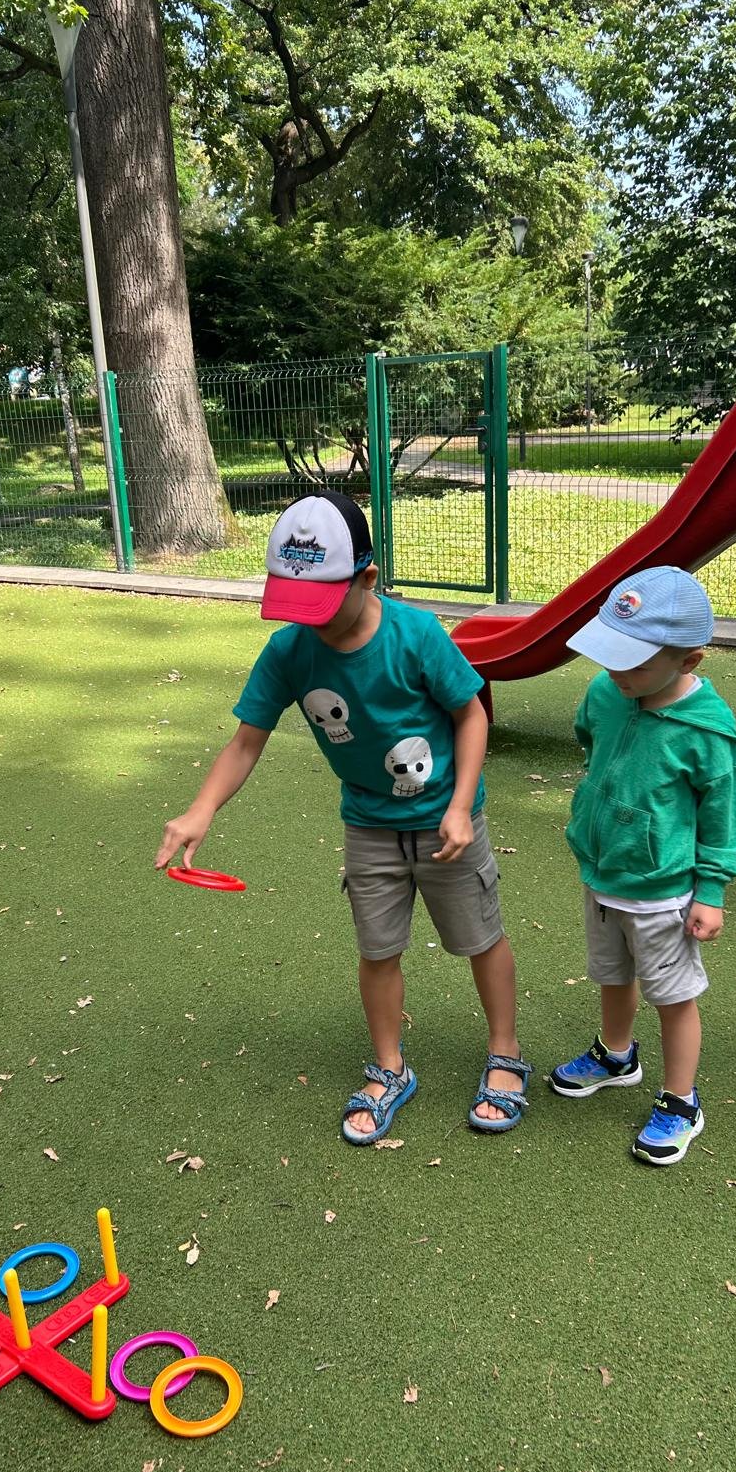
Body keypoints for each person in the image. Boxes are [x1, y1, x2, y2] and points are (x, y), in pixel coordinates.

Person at [154, 489, 529, 1143]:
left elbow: (471, 716)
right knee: (377, 950)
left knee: (480, 938)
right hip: (368, 825)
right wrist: (199, 811)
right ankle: (389, 1067)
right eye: (298, 604)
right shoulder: (290, 652)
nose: (313, 622)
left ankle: (505, 1052)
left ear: (367, 578)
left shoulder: (416, 636)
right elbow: (246, 741)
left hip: (446, 821)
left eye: (323, 604)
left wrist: (461, 806)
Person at [549, 566, 736, 1166]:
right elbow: (592, 740)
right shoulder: (606, 693)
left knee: (673, 996)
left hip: (662, 893)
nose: (615, 672)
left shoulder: (706, 732)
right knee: (612, 974)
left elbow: (725, 818)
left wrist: (711, 890)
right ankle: (616, 1055)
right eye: (609, 653)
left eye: (632, 663)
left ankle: (681, 1100)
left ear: (689, 661)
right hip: (603, 873)